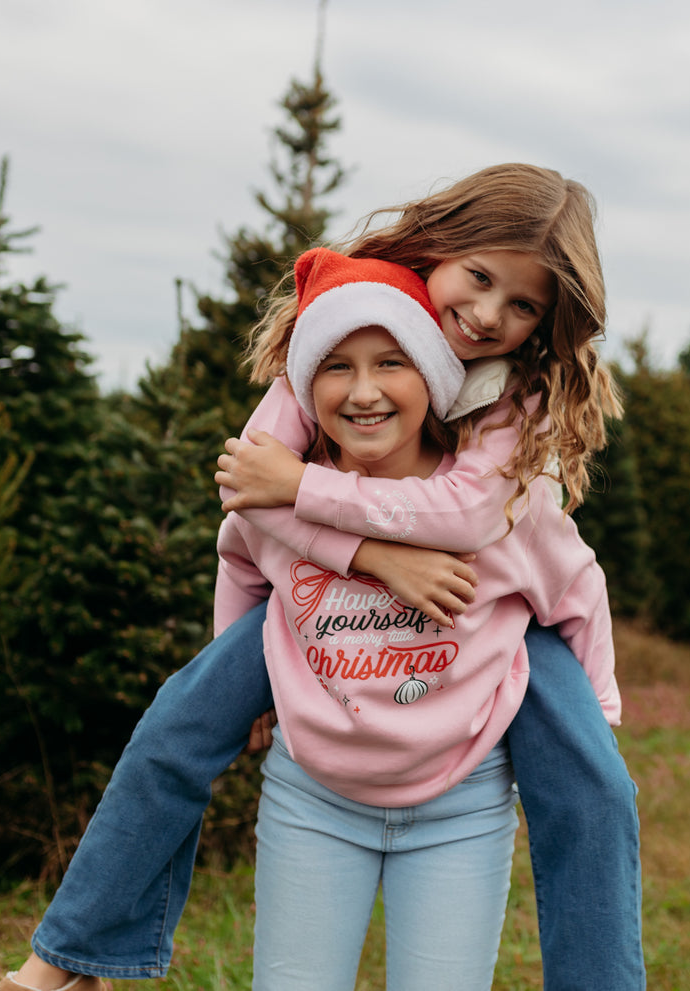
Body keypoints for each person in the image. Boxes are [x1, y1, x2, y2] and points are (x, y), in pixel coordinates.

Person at [0, 164, 644, 991]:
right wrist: (370, 555)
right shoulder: (352, 320)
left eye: (523, 307)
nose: (487, 316)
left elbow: (474, 522)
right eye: (478, 279)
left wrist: (305, 489)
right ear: (439, 247)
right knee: (176, 726)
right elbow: (248, 492)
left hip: (495, 583)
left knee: (595, 785)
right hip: (314, 589)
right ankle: (72, 958)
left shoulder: (519, 394)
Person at [222, 250, 617, 989]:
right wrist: (238, 684)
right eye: (336, 366)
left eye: (392, 363)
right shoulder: (281, 503)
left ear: (433, 378)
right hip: (312, 794)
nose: (364, 390)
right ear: (307, 386)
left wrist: (593, 722)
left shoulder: (501, 503)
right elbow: (238, 559)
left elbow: (577, 589)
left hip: (461, 805)